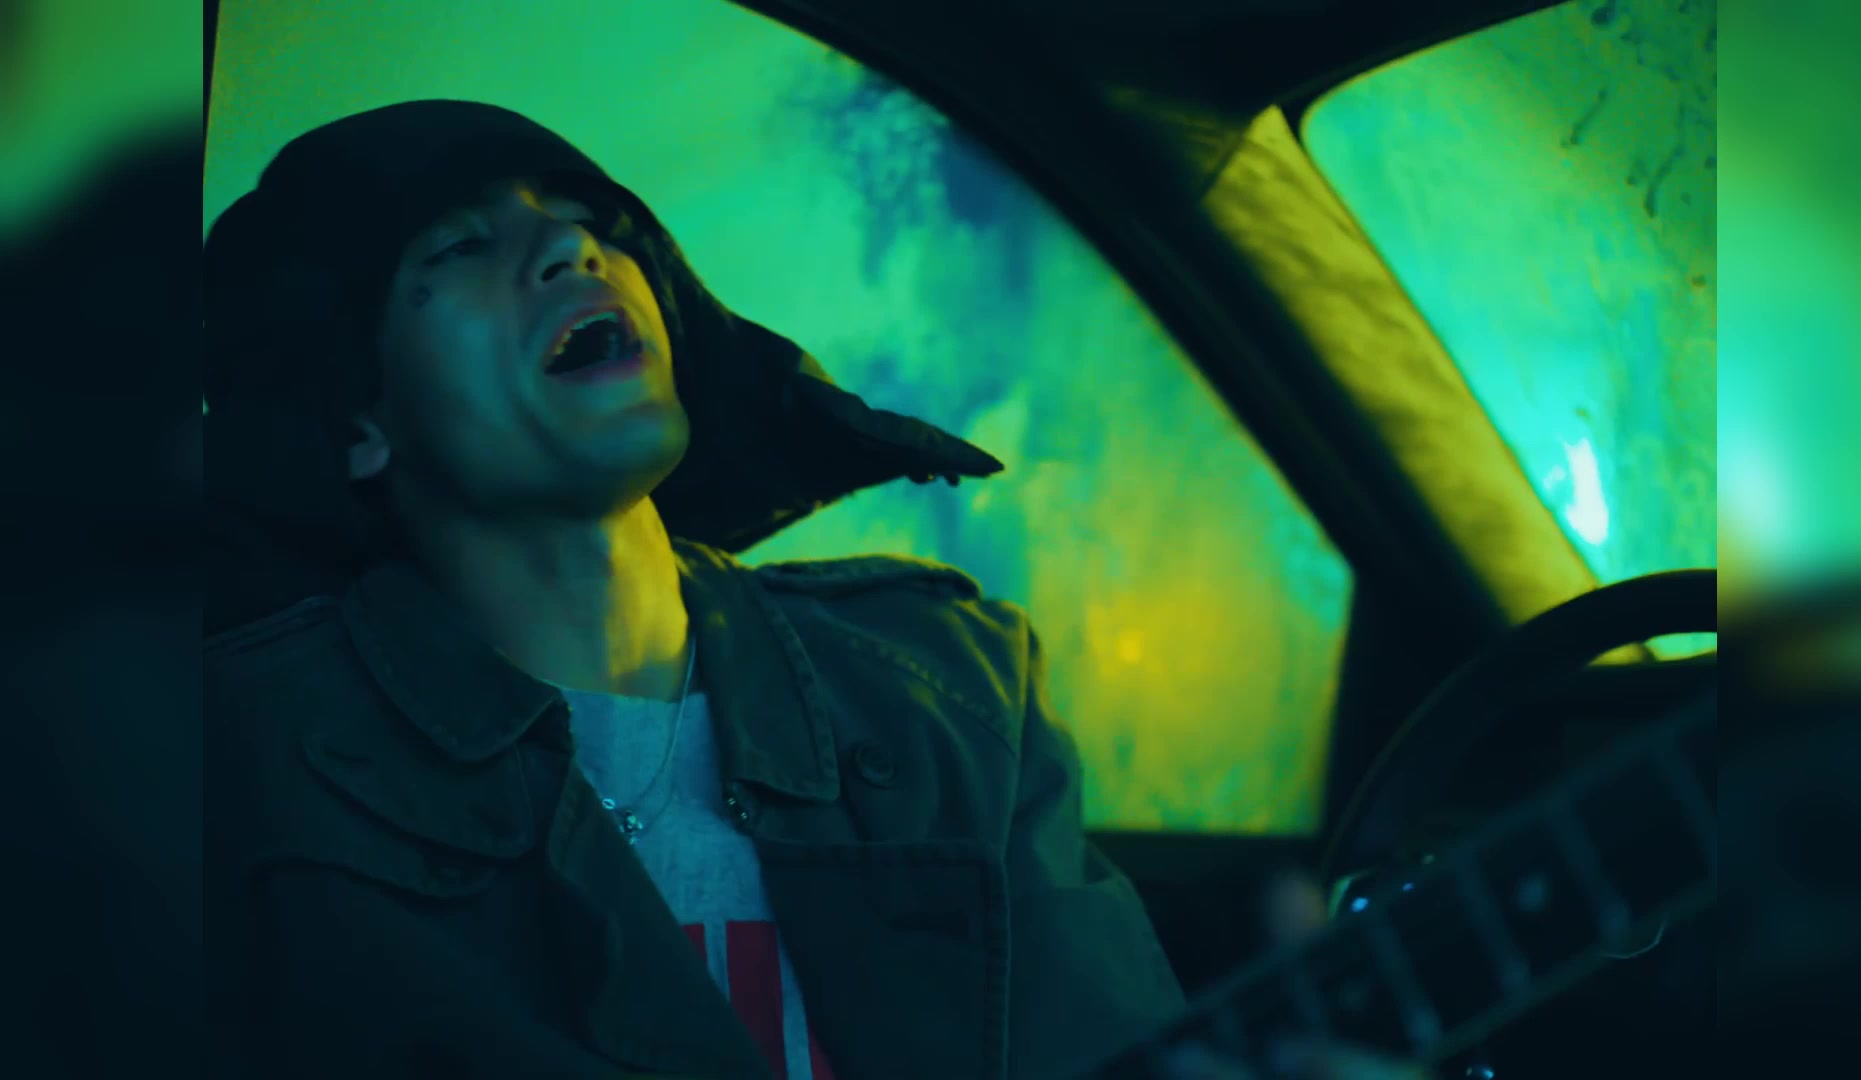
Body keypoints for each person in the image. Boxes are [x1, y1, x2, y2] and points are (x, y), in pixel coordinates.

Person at [205, 100, 1420, 1080]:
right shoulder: (232, 761)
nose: (576, 251)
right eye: (462, 246)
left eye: (592, 224)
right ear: (356, 423)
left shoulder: (948, 690)